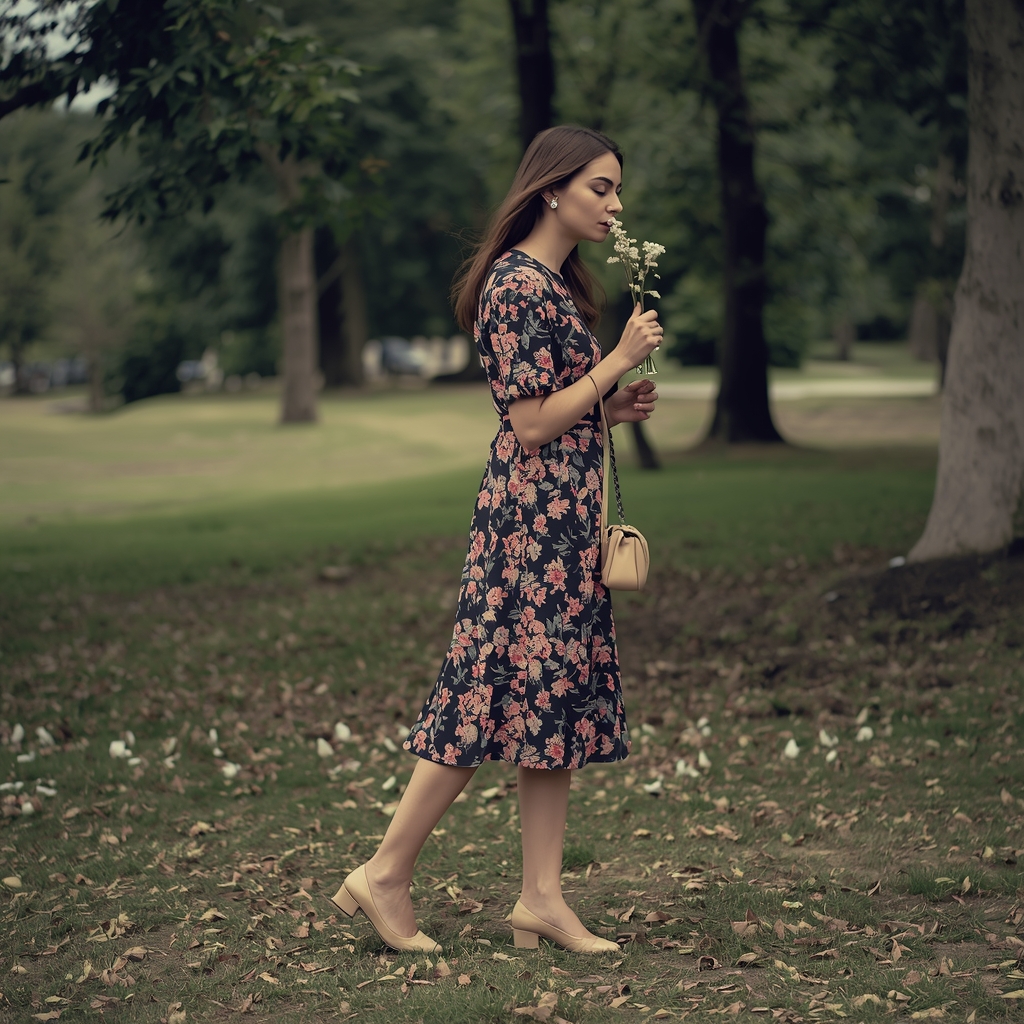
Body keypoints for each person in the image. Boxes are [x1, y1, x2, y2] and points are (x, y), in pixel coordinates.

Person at [331, 125, 662, 955]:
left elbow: (558, 411)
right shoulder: (516, 287)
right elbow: (526, 423)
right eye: (600, 188)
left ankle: (541, 899)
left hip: (563, 528)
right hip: (528, 537)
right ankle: (384, 874)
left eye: (618, 189)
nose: (615, 205)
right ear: (551, 188)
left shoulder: (552, 285)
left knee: (548, 708)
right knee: (483, 701)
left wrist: (607, 408)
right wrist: (615, 360)